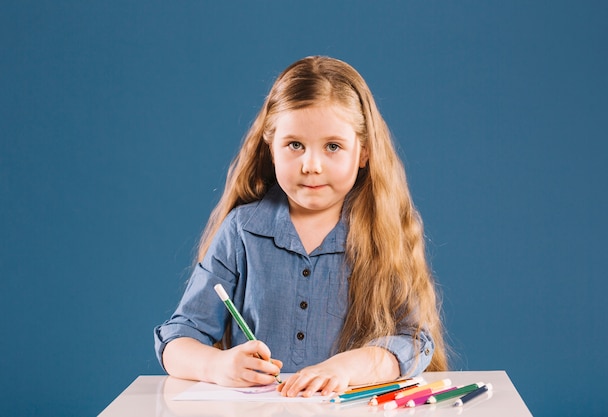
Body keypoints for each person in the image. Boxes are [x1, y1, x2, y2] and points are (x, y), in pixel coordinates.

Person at [154, 56, 447, 398]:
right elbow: (176, 340)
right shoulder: (242, 231)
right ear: (271, 147)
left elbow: (415, 342)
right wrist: (217, 366)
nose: (311, 165)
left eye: (333, 147)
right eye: (295, 145)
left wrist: (346, 367)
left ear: (363, 152)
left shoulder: (382, 234)